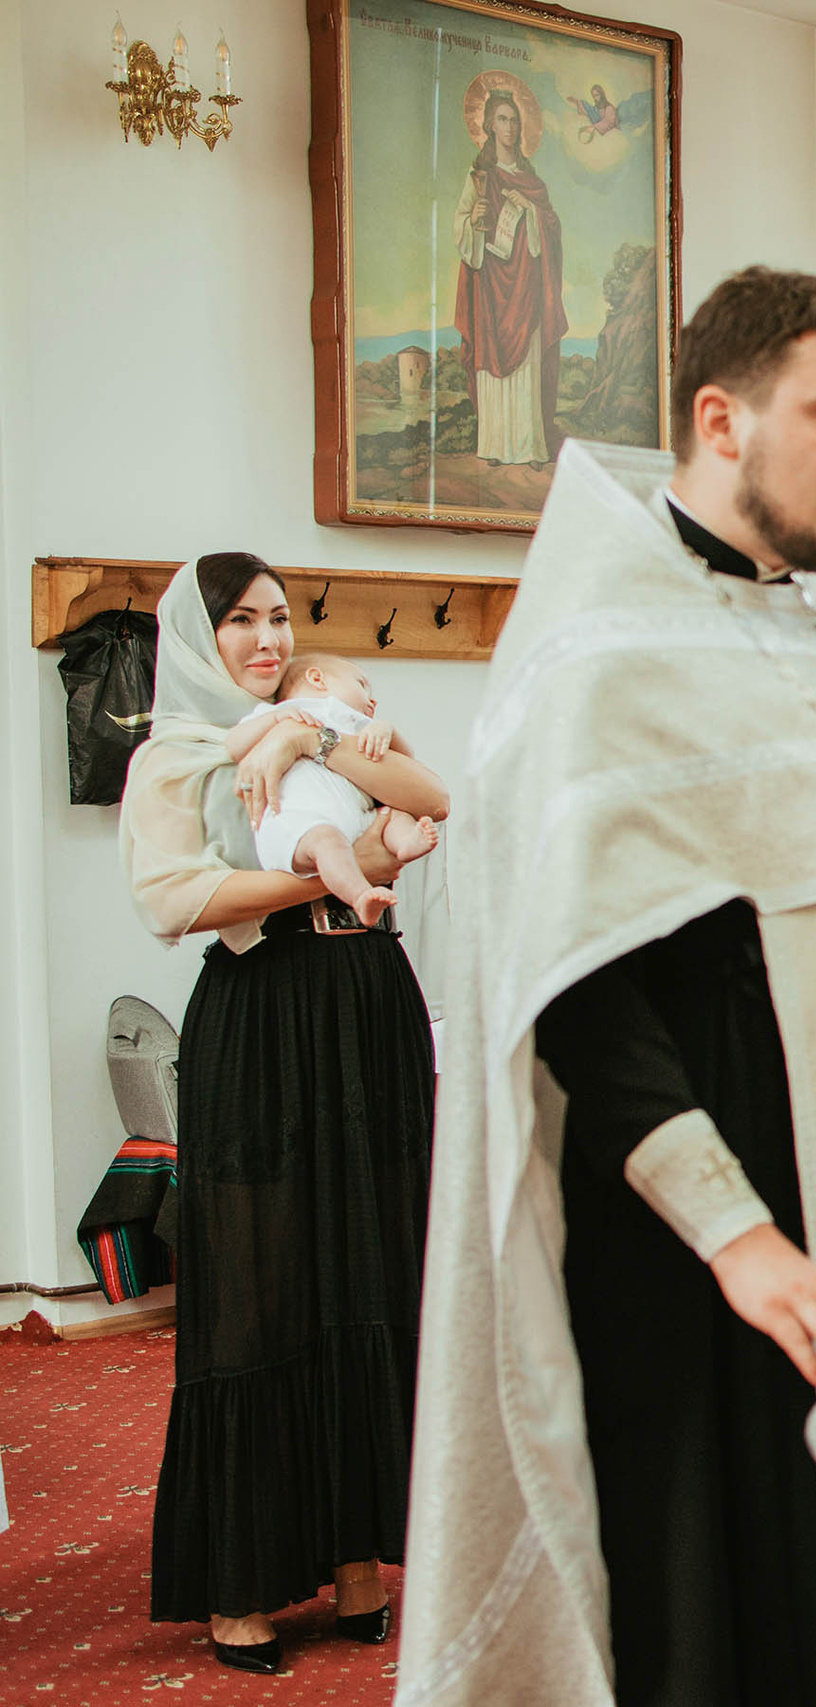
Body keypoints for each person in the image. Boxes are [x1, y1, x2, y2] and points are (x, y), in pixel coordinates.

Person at [396, 267, 816, 1707]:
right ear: (721, 417)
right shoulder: (592, 651)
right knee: (730, 1611)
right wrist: (741, 1239)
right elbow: (575, 993)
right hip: (700, 1238)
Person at [119, 552, 448, 1672]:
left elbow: (433, 795)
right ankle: (243, 1582)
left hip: (368, 1006)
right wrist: (331, 868)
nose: (266, 640)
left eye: (279, 619)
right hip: (263, 1022)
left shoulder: (318, 730)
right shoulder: (177, 756)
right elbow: (184, 900)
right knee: (257, 1291)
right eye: (242, 622)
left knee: (370, 1269)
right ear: (197, 638)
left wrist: (310, 738)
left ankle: (360, 1560)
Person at [229, 654, 440, 926]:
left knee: (391, 814)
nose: (372, 700)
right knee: (328, 841)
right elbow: (233, 746)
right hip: (300, 825)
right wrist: (276, 720)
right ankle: (361, 895)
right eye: (362, 684)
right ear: (317, 678)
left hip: (356, 819)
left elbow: (406, 761)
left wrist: (386, 730)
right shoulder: (280, 714)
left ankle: (405, 843)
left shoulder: (354, 723)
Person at [452, 86, 569, 466]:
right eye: (502, 119)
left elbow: (552, 226)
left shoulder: (535, 185)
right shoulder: (479, 178)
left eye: (515, 120)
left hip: (527, 286)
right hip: (490, 286)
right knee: (494, 360)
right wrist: (474, 220)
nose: (510, 126)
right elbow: (461, 227)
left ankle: (529, 446)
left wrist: (531, 211)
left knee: (528, 363)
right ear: (488, 126)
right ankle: (495, 447)